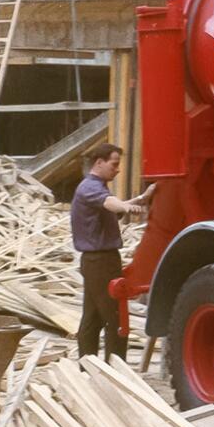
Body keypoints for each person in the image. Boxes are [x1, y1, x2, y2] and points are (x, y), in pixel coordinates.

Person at [71, 144, 147, 359]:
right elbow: (113, 204)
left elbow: (115, 204)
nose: (118, 170)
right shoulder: (91, 188)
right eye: (114, 164)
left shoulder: (94, 187)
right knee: (115, 317)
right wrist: (126, 207)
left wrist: (141, 199)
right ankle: (116, 370)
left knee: (93, 316)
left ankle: (88, 366)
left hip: (96, 260)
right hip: (101, 261)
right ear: (99, 163)